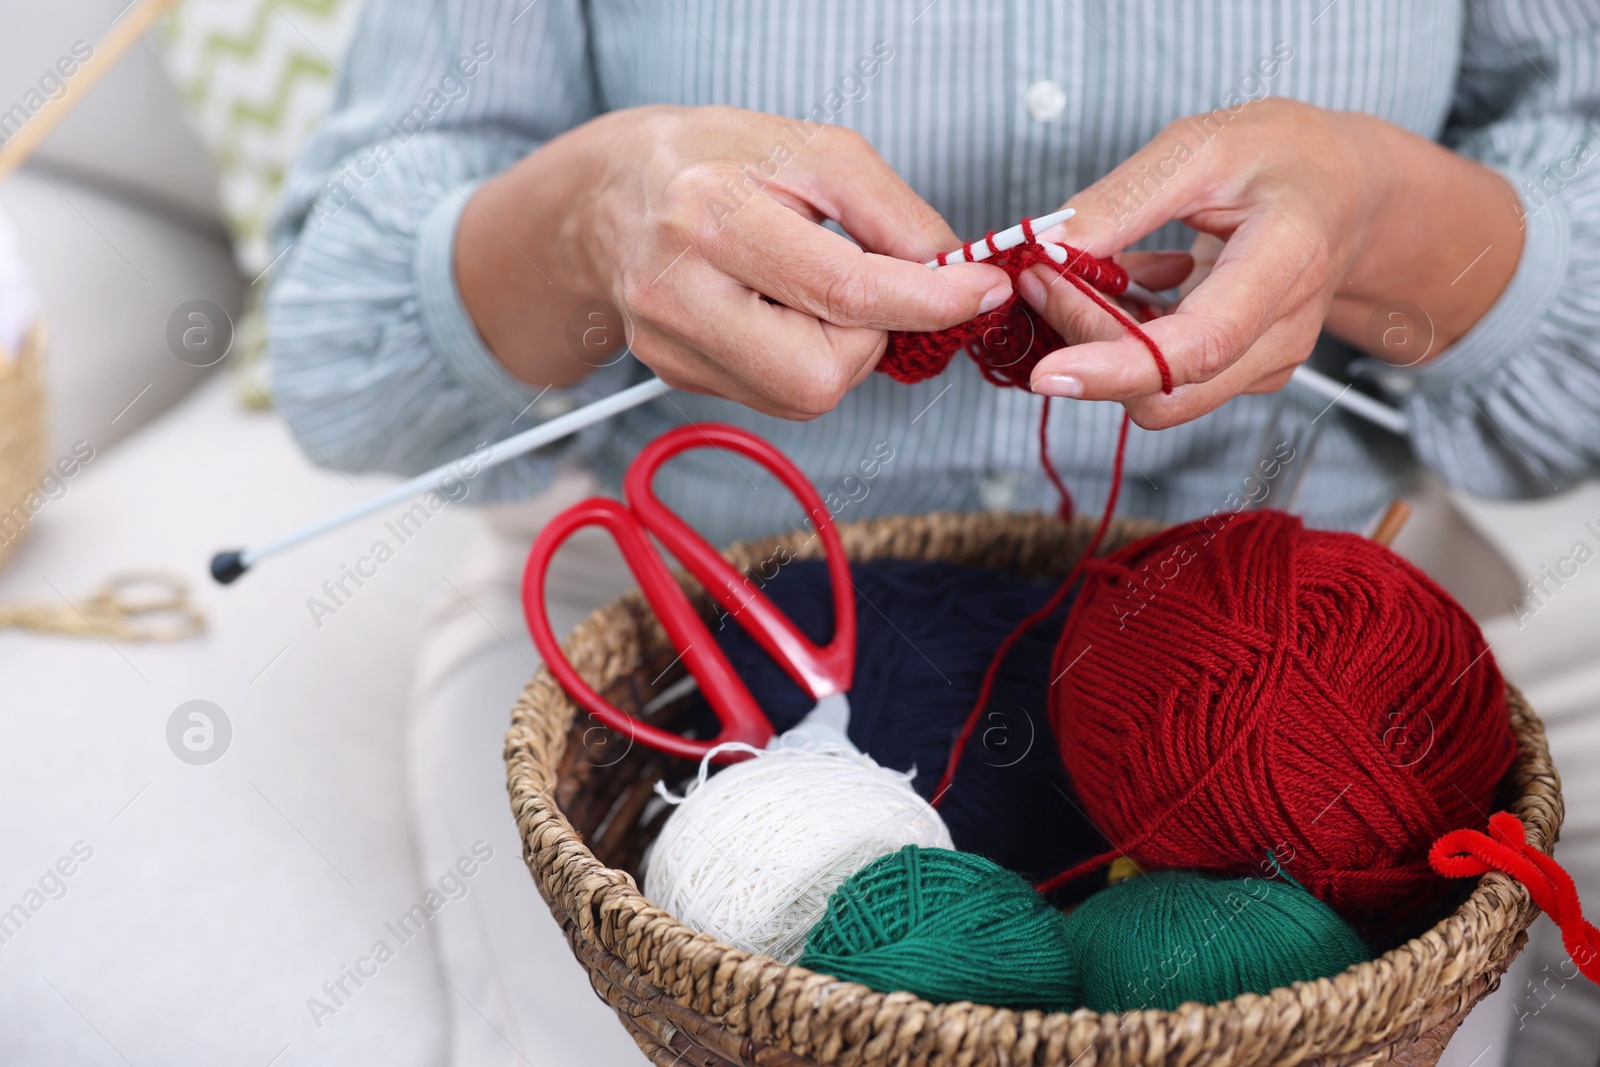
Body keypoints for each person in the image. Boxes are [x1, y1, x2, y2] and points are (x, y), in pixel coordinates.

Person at [266, 3, 1600, 1065]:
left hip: (1301, 685)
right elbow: (343, 371)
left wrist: (1381, 220)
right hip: (706, 632)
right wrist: (582, 224)